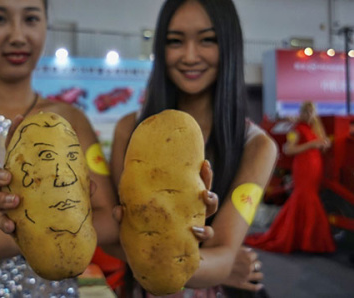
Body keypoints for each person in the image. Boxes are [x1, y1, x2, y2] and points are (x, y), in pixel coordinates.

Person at [0, 0, 217, 296]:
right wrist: (33, 227)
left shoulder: (72, 120)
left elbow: (110, 218)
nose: (17, 35)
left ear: (45, 25)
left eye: (30, 18)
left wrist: (175, 213)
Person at [109, 0, 277, 296]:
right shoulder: (130, 129)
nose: (189, 56)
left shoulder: (257, 146)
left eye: (207, 40)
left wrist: (207, 263)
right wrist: (210, 263)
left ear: (229, 45)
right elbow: (112, 233)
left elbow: (225, 255)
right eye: (175, 41)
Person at [245, 101, 335, 253]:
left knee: (309, 198)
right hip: (303, 166)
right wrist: (312, 145)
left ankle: (305, 239)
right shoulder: (297, 128)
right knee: (304, 198)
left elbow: (323, 143)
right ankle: (299, 239)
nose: (309, 115)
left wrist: (323, 143)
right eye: (307, 111)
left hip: (315, 166)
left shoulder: (315, 128)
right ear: (302, 112)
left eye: (312, 111)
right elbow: (289, 149)